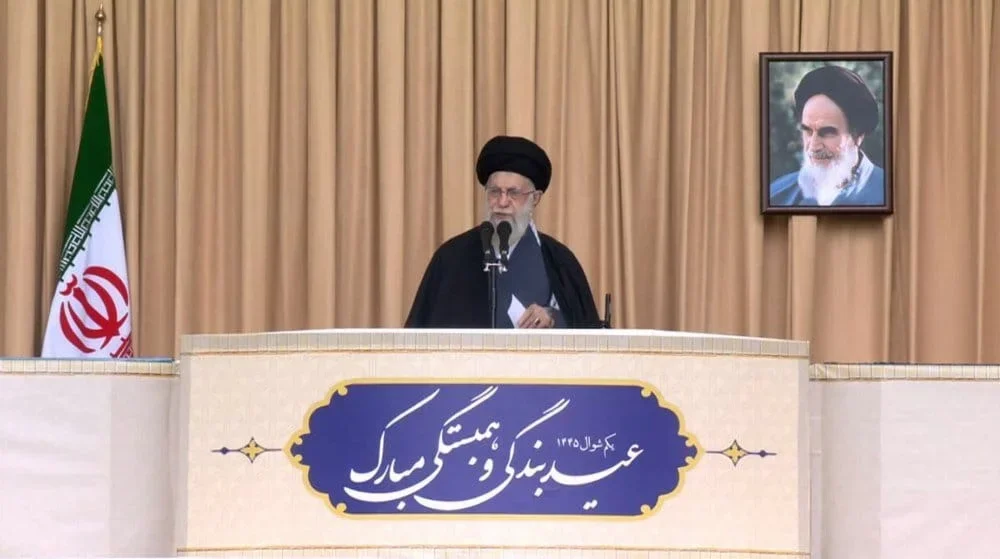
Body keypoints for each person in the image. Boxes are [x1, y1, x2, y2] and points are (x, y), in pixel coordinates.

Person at [405, 135, 602, 329]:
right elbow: (418, 334)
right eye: (494, 191)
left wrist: (552, 318)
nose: (502, 202)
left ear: (535, 198)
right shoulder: (451, 257)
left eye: (513, 193)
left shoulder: (559, 261)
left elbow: (586, 331)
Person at [769, 65, 885, 207]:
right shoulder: (776, 195)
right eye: (807, 131)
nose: (813, 146)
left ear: (857, 136)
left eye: (827, 132)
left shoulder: (889, 194)